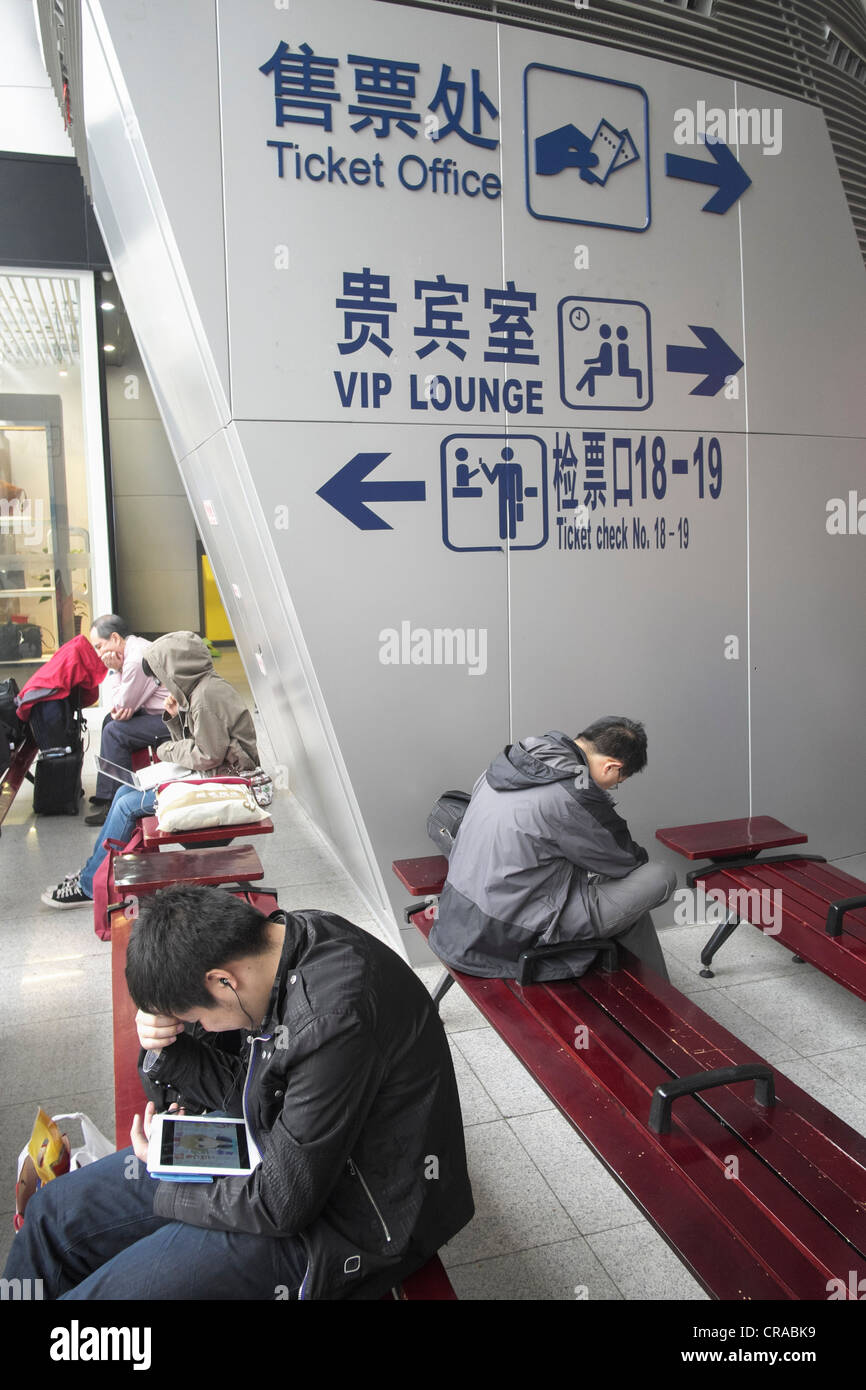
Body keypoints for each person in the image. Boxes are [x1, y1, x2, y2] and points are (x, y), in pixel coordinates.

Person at [6, 886, 474, 1300]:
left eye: (199, 1017)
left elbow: (282, 1205)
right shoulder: (281, 944)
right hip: (277, 1151)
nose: (203, 1027)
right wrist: (165, 1048)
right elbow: (246, 1088)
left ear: (221, 981)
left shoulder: (333, 1019)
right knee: (52, 1214)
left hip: (350, 1220)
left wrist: (167, 1188)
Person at [428, 717, 675, 982]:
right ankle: (659, 994)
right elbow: (625, 861)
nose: (610, 788)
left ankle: (657, 991)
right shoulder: (576, 793)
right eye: (617, 781)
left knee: (624, 904)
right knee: (659, 875)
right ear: (611, 767)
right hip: (509, 930)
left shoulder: (509, 763)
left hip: (460, 911)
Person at [41, 631, 259, 908]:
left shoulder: (205, 698)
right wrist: (172, 719)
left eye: (161, 675)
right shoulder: (203, 690)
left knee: (125, 805)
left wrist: (164, 750)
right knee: (123, 792)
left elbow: (207, 755)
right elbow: (202, 747)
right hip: (217, 775)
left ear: (176, 668)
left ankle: (88, 885)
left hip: (223, 783)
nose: (161, 682)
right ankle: (91, 875)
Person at [86, 614, 170, 826]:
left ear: (115, 638)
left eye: (99, 646)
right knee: (109, 722)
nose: (98, 654)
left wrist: (115, 670)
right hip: (158, 712)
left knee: (115, 732)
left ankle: (115, 801)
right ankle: (107, 792)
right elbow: (118, 710)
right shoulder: (136, 646)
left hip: (171, 721)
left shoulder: (134, 660)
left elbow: (120, 707)